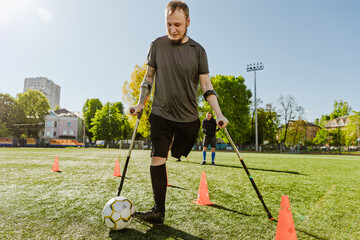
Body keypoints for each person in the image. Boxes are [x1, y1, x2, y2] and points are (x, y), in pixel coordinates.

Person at [129, 0, 228, 225]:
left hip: (188, 118)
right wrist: (140, 103)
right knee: (157, 158)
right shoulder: (157, 45)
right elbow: (148, 78)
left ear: (188, 23)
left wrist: (219, 114)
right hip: (161, 112)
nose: (173, 29)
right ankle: (158, 212)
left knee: (179, 153)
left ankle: (178, 149)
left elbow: (206, 86)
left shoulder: (198, 51)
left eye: (178, 24)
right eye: (168, 24)